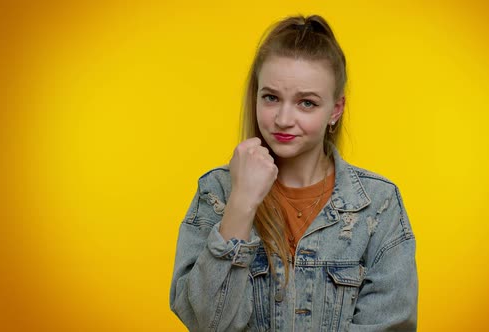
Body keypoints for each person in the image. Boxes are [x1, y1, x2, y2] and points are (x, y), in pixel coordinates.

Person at [169, 14, 418, 331]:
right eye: (271, 97)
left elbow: (390, 323)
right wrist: (242, 202)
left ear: (335, 110)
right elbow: (205, 321)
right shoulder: (216, 191)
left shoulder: (378, 204)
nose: (284, 119)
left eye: (307, 103)